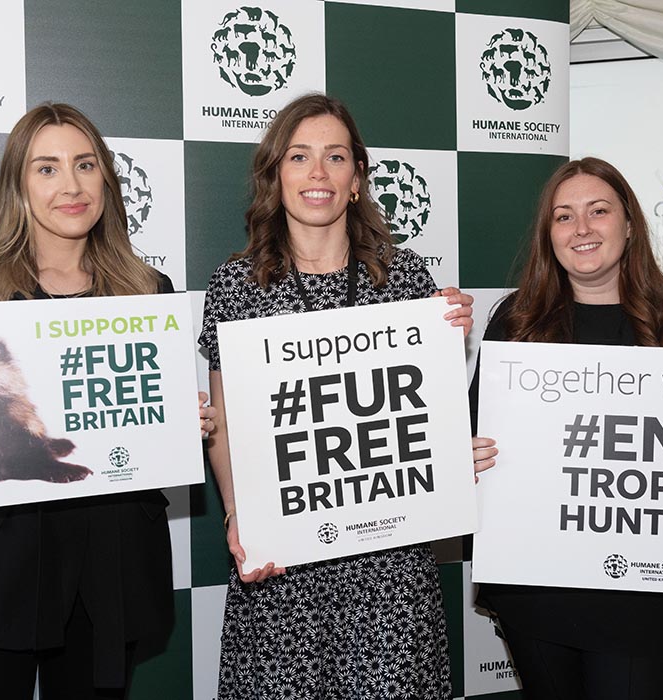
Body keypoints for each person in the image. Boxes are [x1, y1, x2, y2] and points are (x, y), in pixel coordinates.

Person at [200, 93, 476, 699]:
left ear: (357, 179)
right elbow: (223, 424)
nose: (318, 172)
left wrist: (448, 333)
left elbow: (424, 417)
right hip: (280, 570)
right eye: (299, 157)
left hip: (389, 572)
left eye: (335, 156)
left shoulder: (406, 281)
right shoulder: (235, 286)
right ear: (276, 175)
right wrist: (238, 512)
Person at [0, 102, 215, 699]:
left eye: (86, 165)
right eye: (47, 168)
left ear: (106, 178)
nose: (72, 186)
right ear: (18, 186)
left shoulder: (147, 289)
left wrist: (185, 421)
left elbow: (151, 416)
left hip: (112, 559)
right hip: (0, 558)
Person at [469, 157, 663, 700]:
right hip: (535, 591)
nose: (582, 229)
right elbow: (471, 433)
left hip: (643, 597)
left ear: (629, 225)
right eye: (564, 216)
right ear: (549, 236)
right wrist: (467, 455)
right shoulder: (515, 320)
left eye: (598, 211)